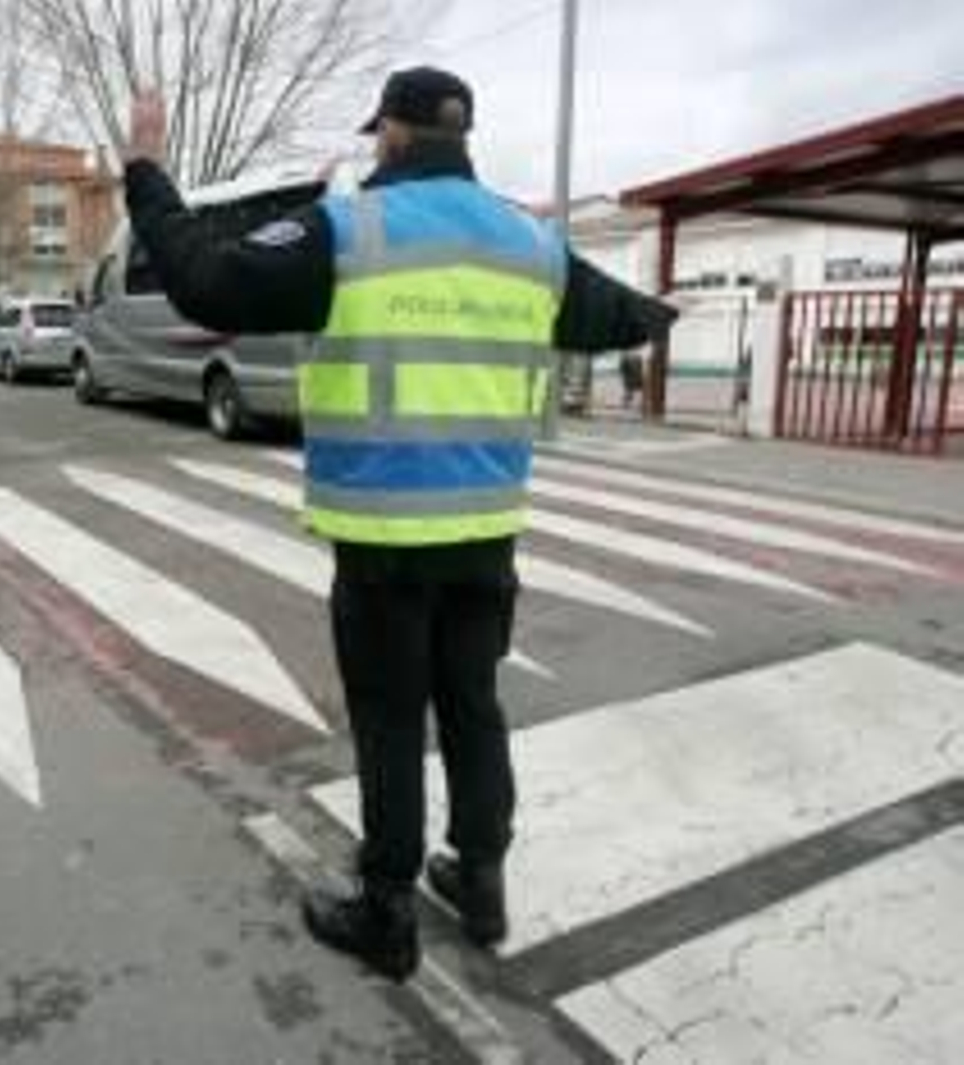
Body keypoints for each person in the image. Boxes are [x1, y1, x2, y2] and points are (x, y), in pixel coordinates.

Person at [122, 68, 678, 980]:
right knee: (473, 705)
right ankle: (483, 885)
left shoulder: (350, 229)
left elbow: (206, 283)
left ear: (390, 136)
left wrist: (148, 169)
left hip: (383, 535)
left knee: (389, 720)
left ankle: (387, 913)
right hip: (486, 531)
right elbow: (621, 317)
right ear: (463, 137)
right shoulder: (530, 245)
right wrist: (670, 309)